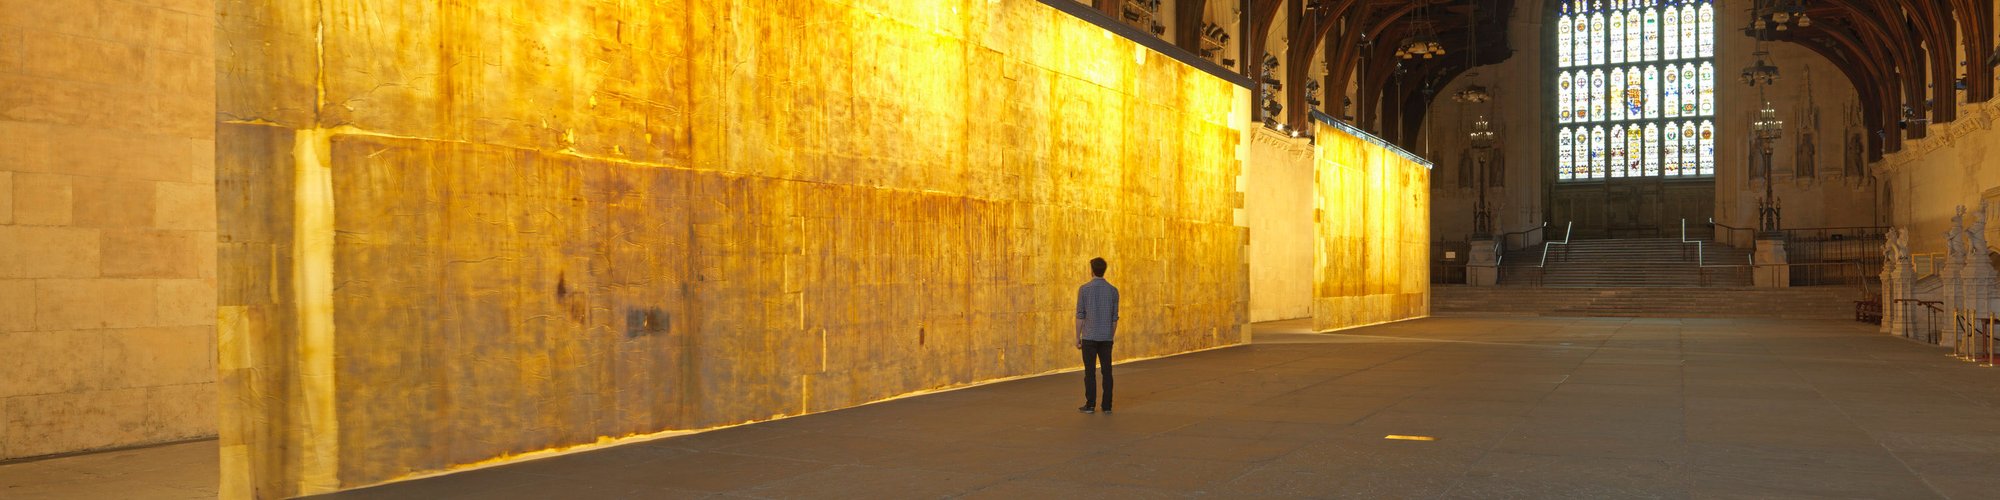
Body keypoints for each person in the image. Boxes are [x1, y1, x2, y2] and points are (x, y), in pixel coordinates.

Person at [1075, 257, 1120, 414]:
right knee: (1107, 372)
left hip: (1089, 336)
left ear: (1092, 270)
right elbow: (1115, 318)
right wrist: (1110, 335)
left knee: (1090, 372)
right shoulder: (1113, 290)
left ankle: (1090, 404)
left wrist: (1077, 336)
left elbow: (1080, 315)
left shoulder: (1084, 289)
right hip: (1106, 337)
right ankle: (1107, 406)